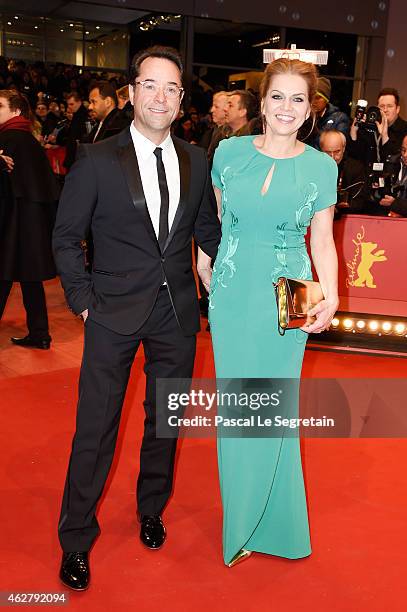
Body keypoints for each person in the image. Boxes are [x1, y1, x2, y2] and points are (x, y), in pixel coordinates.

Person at [53, 45, 221, 591]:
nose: (161, 97)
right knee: (95, 429)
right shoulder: (97, 159)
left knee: (164, 422)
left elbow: (209, 238)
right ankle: (76, 536)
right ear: (131, 93)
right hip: (110, 313)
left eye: (171, 88)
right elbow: (65, 237)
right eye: (150, 85)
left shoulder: (197, 160)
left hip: (175, 315)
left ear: (180, 100)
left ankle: (152, 507)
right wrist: (81, 300)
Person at [208, 58, 338, 567]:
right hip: (233, 289)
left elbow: (323, 242)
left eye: (298, 99)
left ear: (310, 110)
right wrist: (206, 269)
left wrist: (329, 295)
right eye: (278, 96)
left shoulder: (321, 166)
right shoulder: (228, 152)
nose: (287, 107)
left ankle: (265, 523)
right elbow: (217, 221)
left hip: (291, 295)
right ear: (261, 103)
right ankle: (258, 520)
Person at [0, 91, 60, 349]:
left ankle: (39, 333)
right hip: (33, 224)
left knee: (3, 275)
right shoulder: (32, 141)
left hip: (11, 222)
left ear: (16, 111)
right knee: (29, 277)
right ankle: (40, 333)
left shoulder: (6, 138)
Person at [319, 129, 368, 214]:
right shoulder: (313, 168)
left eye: (337, 152)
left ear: (343, 148)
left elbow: (359, 203)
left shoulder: (355, 168)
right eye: (328, 152)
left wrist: (337, 210)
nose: (332, 157)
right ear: (321, 150)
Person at [309, 77, 350, 149]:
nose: (314, 101)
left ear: (326, 99)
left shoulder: (339, 119)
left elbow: (335, 147)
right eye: (311, 97)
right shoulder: (306, 117)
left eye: (318, 97)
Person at [378, 133, 407, 216]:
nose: (405, 155)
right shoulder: (392, 163)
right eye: (403, 150)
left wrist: (394, 203)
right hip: (389, 217)